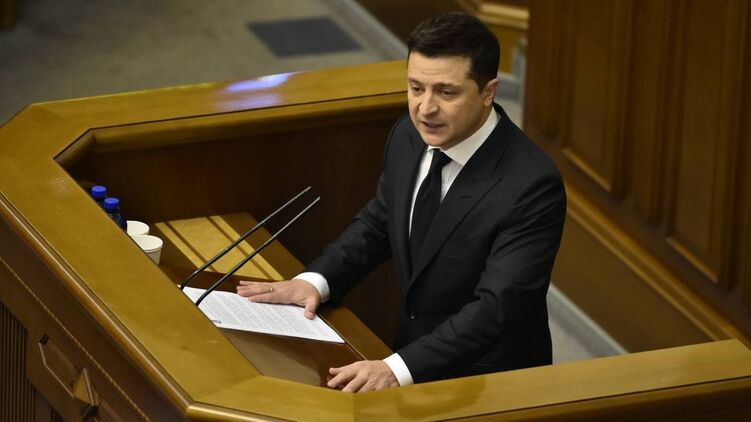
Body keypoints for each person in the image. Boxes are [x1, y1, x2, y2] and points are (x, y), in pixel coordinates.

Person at [237, 11, 566, 392]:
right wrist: (317, 281)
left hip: (485, 382)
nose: (425, 108)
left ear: (488, 92)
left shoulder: (530, 185)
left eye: (446, 92)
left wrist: (397, 368)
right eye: (415, 88)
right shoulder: (408, 136)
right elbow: (379, 223)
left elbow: (496, 308)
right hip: (411, 356)